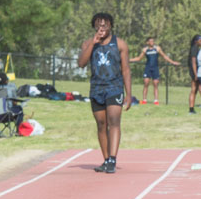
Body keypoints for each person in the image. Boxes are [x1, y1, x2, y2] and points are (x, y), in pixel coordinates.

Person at [77, 12, 132, 174]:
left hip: (114, 87)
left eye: (105, 25)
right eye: (98, 25)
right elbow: (81, 63)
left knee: (114, 121)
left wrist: (128, 94)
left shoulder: (120, 44)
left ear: (110, 26)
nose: (102, 28)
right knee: (101, 124)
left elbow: (126, 70)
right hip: (97, 88)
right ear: (94, 26)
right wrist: (93, 44)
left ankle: (113, 160)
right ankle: (106, 159)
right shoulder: (88, 43)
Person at [130, 36, 180, 105]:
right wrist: (128, 60)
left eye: (153, 41)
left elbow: (164, 56)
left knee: (155, 84)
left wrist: (172, 62)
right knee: (146, 83)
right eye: (150, 41)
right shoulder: (145, 50)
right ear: (147, 42)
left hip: (155, 68)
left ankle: (156, 100)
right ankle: (144, 100)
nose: (152, 42)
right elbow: (139, 58)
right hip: (148, 68)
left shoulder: (157, 48)